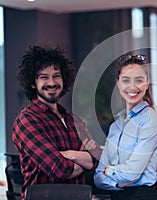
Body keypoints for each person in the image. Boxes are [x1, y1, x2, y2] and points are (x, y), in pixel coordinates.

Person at [12, 45, 102, 198]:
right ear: (33, 83)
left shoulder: (75, 121)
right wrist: (83, 156)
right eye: (44, 77)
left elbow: (98, 159)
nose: (52, 82)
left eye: (56, 76)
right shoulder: (27, 120)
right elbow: (60, 169)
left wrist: (70, 155)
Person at [94, 52, 157, 200]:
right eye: (126, 80)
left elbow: (132, 174)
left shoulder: (151, 120)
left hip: (143, 196)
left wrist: (109, 170)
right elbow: (98, 178)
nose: (132, 87)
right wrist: (118, 182)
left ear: (147, 82)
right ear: (118, 83)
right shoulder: (115, 126)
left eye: (138, 80)